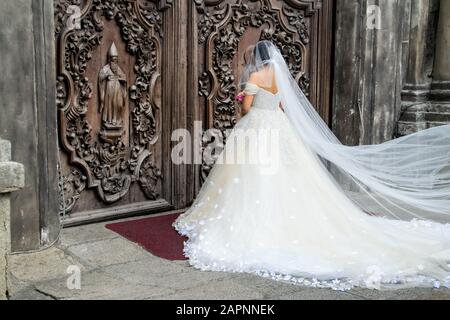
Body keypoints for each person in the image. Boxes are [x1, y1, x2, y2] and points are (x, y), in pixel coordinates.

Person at [173, 40, 450, 291]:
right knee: (282, 173)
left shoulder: (256, 76)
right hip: (278, 127)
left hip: (256, 127)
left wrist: (242, 98)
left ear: (257, 59)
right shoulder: (280, 78)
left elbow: (246, 108)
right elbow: (281, 106)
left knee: (251, 172)